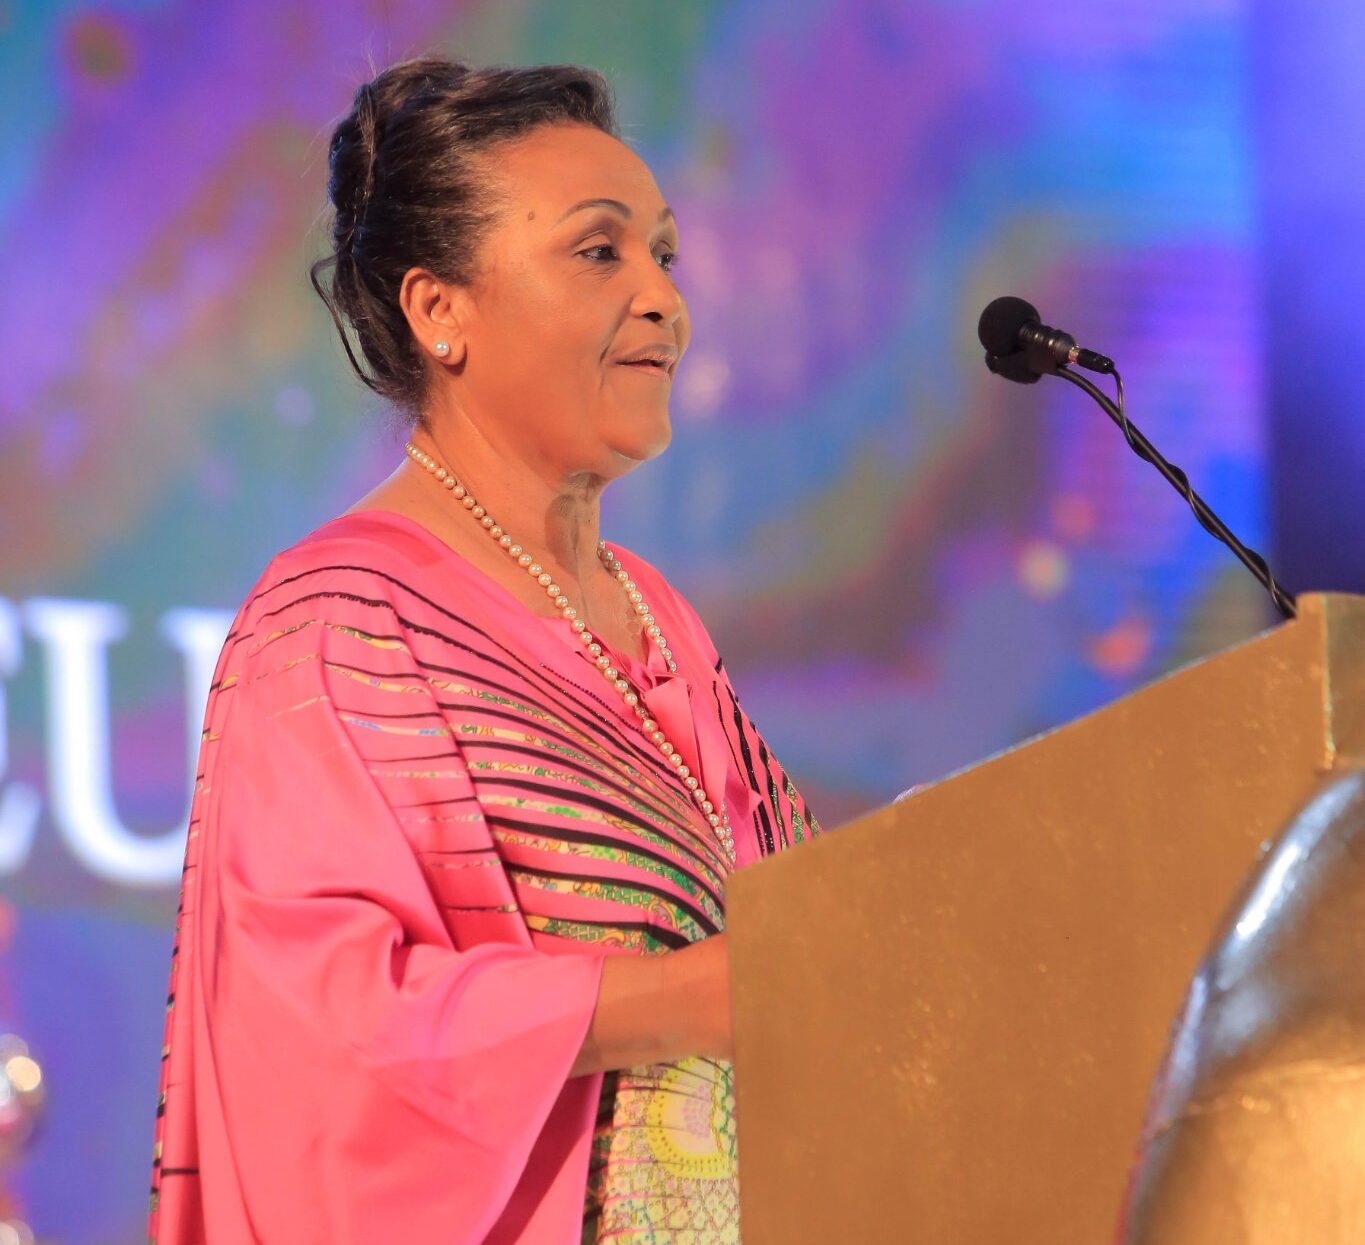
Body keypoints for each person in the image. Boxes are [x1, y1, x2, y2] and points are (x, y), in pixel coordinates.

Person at [148, 56, 821, 1245]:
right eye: (599, 251)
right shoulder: (336, 621)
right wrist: (682, 998)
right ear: (439, 311)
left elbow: (798, 932)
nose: (664, 299)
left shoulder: (662, 617)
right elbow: (324, 1036)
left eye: (664, 254)